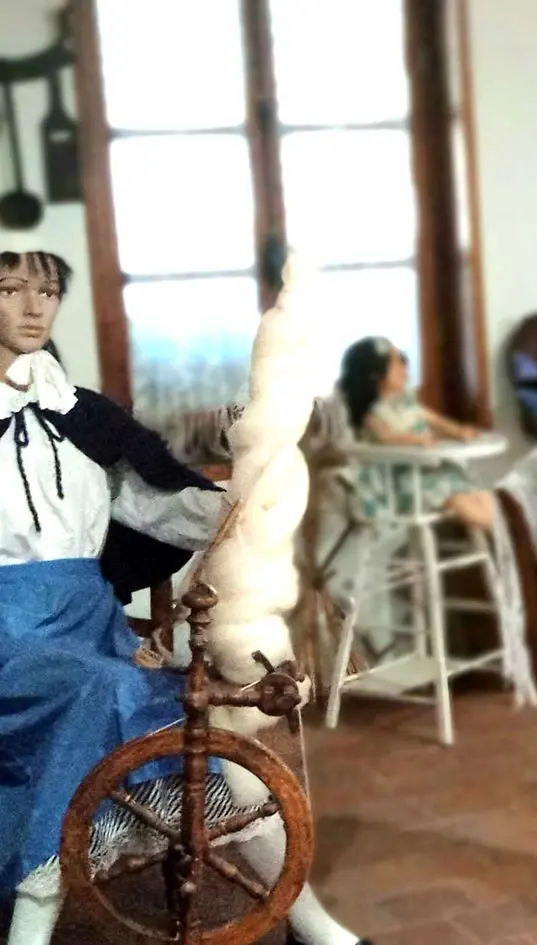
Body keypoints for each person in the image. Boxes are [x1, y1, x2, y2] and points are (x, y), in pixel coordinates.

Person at [0, 251, 370, 945]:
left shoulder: (81, 418)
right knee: (104, 688)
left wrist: (245, 506)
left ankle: (311, 923)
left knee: (212, 728)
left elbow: (154, 501)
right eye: (10, 289)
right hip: (9, 643)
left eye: (46, 291)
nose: (32, 307)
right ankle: (31, 916)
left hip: (89, 623)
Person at [337, 335, 496, 530]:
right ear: (375, 374)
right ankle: (499, 533)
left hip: (428, 470)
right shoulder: (375, 415)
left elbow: (438, 422)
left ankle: (502, 531)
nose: (404, 367)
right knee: (457, 500)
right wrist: (416, 440)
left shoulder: (410, 408)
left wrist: (459, 432)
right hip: (401, 482)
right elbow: (386, 438)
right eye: (397, 362)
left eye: (403, 359)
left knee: (479, 493)